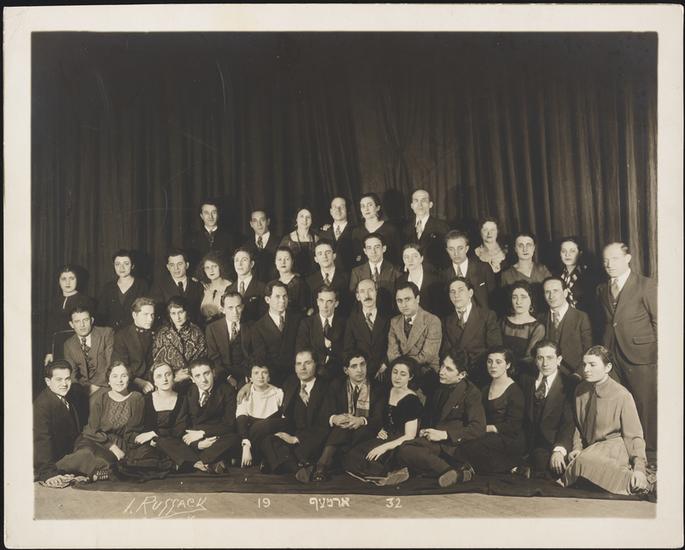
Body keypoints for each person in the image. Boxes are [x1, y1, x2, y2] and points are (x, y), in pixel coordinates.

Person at [559, 346, 654, 496]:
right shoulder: (580, 390)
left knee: (585, 463)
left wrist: (639, 468)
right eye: (584, 364)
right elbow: (578, 426)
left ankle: (641, 481)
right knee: (579, 464)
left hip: (613, 447)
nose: (586, 369)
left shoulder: (622, 395)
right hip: (591, 449)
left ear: (607, 367)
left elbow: (634, 436)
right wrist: (577, 448)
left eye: (592, 365)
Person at [596, 242, 657, 452]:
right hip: (612, 357)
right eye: (605, 260)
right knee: (618, 405)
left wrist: (657, 354)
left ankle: (649, 455)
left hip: (641, 356)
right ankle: (625, 453)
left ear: (628, 258)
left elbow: (659, 322)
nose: (609, 264)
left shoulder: (646, 285)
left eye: (614, 258)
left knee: (644, 406)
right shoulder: (602, 289)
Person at [396, 352, 486, 487]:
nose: (441, 372)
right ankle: (457, 472)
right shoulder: (438, 386)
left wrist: (445, 435)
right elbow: (429, 415)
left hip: (452, 445)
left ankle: (447, 471)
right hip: (433, 441)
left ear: (461, 375)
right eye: (442, 366)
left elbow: (478, 428)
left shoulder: (471, 392)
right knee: (403, 449)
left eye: (448, 369)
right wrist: (424, 430)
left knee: (407, 452)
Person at [444, 347, 525, 480]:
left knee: (471, 447)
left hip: (508, 437)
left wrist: (486, 428)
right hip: (485, 433)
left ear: (508, 365)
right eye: (489, 361)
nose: (493, 366)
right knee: (457, 443)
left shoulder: (515, 391)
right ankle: (466, 472)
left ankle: (511, 466)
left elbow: (513, 426)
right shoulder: (485, 388)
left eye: (498, 362)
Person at [55, 361, 145, 481]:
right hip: (94, 440)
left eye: (123, 376)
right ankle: (54, 470)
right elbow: (91, 430)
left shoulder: (137, 399)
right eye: (115, 376)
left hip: (120, 445)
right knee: (86, 453)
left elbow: (133, 432)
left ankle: (91, 473)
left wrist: (126, 449)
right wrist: (112, 447)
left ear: (129, 379)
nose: (119, 380)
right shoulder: (101, 399)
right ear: (109, 380)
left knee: (109, 462)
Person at [342, 357, 422, 486]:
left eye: (403, 374)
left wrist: (383, 447)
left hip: (400, 442)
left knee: (375, 460)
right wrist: (380, 429)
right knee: (352, 456)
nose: (397, 377)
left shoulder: (412, 400)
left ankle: (391, 473)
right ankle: (382, 475)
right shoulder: (387, 391)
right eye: (395, 372)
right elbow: (381, 418)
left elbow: (410, 435)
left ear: (410, 377)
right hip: (384, 436)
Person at [309, 351, 386, 482]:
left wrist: (361, 420)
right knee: (342, 428)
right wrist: (335, 418)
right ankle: (328, 464)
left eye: (362, 364)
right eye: (354, 366)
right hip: (342, 432)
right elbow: (325, 413)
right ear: (346, 370)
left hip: (366, 431)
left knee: (342, 430)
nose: (360, 370)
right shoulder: (336, 385)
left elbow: (379, 418)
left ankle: (322, 465)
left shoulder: (378, 387)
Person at [259, 350, 333, 482]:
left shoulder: (326, 388)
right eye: (299, 364)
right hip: (292, 437)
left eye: (307, 363)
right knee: (268, 440)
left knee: (279, 452)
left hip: (313, 440)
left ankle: (283, 463)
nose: (302, 368)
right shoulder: (291, 383)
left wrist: (296, 439)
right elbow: (263, 381)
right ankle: (299, 469)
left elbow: (324, 425)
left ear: (316, 364)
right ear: (294, 367)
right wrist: (247, 386)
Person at [121, 362, 202, 478]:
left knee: (171, 451)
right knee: (138, 460)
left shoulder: (183, 399)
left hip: (172, 444)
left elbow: (179, 430)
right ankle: (174, 466)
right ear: (154, 381)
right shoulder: (145, 400)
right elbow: (130, 432)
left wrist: (155, 435)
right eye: (159, 376)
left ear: (173, 377)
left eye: (168, 374)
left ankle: (176, 464)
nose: (164, 379)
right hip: (150, 446)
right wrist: (149, 439)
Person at [518, 341, 575, 479]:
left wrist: (559, 450)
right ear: (535, 360)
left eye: (550, 358)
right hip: (524, 441)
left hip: (549, 444)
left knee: (542, 465)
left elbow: (568, 423)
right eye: (540, 358)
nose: (545, 363)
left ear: (559, 360)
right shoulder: (526, 380)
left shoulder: (568, 384)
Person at [181, 358, 241, 473]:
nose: (203, 380)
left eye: (206, 373)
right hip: (194, 438)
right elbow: (183, 423)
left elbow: (229, 424)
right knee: (176, 439)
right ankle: (213, 461)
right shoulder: (187, 392)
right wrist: (198, 444)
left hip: (217, 436)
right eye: (197, 376)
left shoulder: (226, 391)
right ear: (192, 379)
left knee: (234, 438)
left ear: (213, 373)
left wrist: (203, 433)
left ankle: (198, 462)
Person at [441, 277, 502, 388]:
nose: (456, 295)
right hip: (456, 375)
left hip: (481, 374)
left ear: (470, 293)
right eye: (452, 292)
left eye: (460, 290)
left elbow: (495, 349)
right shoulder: (446, 320)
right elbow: (446, 351)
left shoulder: (487, 316)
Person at [387, 282, 442, 397]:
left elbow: (428, 355)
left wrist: (405, 368)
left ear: (417, 299)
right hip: (401, 372)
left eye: (407, 299)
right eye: (399, 301)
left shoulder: (432, 320)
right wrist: (402, 371)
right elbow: (392, 353)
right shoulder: (394, 321)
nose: (403, 305)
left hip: (425, 371)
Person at [33, 361, 83, 485]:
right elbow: (41, 441)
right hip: (53, 463)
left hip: (69, 456)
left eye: (67, 379)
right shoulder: (42, 404)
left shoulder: (67, 397)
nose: (64, 384)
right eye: (59, 380)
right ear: (48, 381)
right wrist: (48, 473)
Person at [250, 280, 303, 386]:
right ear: (267, 299)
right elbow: (261, 357)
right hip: (273, 378)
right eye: (277, 297)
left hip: (297, 375)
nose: (282, 300)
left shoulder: (298, 320)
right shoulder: (258, 327)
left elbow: (301, 348)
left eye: (285, 296)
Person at [541, 277, 592, 380]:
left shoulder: (581, 317)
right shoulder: (541, 318)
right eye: (547, 292)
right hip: (546, 375)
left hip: (574, 376)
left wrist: (578, 375)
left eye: (555, 291)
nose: (551, 296)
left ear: (565, 293)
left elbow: (589, 350)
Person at [43, 265, 95, 366]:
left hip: (77, 347)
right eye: (64, 279)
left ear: (77, 280)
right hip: (57, 348)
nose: (67, 283)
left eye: (71, 278)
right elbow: (50, 328)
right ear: (59, 281)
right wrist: (49, 352)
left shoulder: (87, 301)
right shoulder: (54, 302)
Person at [236, 365, 286, 469]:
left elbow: (283, 420)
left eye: (264, 372)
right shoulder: (245, 394)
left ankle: (263, 459)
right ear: (250, 378)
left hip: (271, 434)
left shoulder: (278, 393)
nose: (260, 376)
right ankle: (265, 460)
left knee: (267, 432)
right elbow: (241, 420)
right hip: (250, 437)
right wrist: (246, 446)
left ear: (269, 377)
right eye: (256, 373)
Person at [152, 297, 207, 389]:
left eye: (181, 312)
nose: (177, 317)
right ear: (169, 315)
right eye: (173, 313)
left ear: (187, 312)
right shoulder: (162, 333)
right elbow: (157, 361)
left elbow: (202, 358)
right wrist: (174, 375)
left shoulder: (197, 332)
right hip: (168, 380)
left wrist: (188, 373)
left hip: (193, 379)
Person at [343, 278, 391, 381]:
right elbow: (349, 349)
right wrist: (360, 369)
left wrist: (384, 365)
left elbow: (392, 346)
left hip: (385, 370)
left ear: (376, 293)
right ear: (358, 297)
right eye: (362, 291)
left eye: (370, 290)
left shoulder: (388, 318)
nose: (367, 295)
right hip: (361, 372)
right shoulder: (352, 321)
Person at [296, 285, 347, 380]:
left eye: (329, 301)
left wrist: (331, 347)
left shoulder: (344, 324)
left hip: (339, 375)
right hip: (313, 374)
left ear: (336, 303)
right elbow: (302, 351)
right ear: (317, 302)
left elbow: (346, 352)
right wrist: (323, 356)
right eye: (321, 301)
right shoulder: (307, 323)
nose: (325, 306)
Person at [205, 290, 253, 388]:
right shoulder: (212, 328)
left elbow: (255, 354)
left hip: (246, 373)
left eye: (238, 307)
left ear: (242, 307)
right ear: (222, 309)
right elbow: (213, 357)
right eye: (230, 308)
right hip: (223, 374)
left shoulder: (252, 326)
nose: (235, 312)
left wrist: (249, 375)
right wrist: (227, 377)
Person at [63, 306, 114, 395]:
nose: (82, 325)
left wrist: (95, 386)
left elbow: (111, 365)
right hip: (82, 388)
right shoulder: (68, 344)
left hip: (105, 384)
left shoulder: (106, 334)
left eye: (85, 320)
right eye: (77, 321)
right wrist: (78, 391)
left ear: (91, 320)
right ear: (71, 324)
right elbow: (72, 374)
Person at [500, 282, 546, 378]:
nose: (518, 302)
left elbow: (529, 358)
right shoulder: (503, 322)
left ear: (531, 300)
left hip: (524, 374)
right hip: (500, 371)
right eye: (514, 297)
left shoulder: (537, 328)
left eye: (523, 297)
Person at [96, 249, 150, 331]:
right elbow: (101, 315)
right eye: (117, 264)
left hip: (135, 333)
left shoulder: (142, 285)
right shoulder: (108, 287)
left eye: (126, 263)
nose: (121, 268)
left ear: (132, 266)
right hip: (112, 334)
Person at [349, 232, 401, 315]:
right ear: (365, 251)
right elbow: (354, 301)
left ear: (384, 248)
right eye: (369, 248)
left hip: (390, 316)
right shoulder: (356, 272)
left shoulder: (396, 271)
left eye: (377, 247)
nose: (373, 251)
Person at [112, 297, 157, 394]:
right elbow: (120, 365)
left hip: (155, 381)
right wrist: (138, 382)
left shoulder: (157, 333)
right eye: (145, 314)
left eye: (152, 315)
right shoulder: (122, 336)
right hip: (131, 382)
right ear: (134, 315)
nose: (150, 319)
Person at [442, 230, 495, 310]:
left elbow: (494, 300)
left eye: (460, 248)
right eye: (451, 249)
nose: (456, 253)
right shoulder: (443, 275)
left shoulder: (483, 268)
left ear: (466, 248)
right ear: (447, 250)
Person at [500, 232, 552, 312]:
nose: (525, 249)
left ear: (534, 248)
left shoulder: (542, 270)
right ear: (515, 249)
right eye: (520, 245)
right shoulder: (507, 275)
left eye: (529, 245)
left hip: (543, 315)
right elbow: (505, 304)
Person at [150, 249, 204, 325]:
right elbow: (157, 312)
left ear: (187, 265)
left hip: (194, 328)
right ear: (168, 267)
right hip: (168, 329)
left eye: (180, 264)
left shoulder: (198, 285)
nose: (176, 268)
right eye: (172, 265)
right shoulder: (159, 286)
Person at [184, 199, 239, 271]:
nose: (210, 217)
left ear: (218, 215)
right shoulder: (191, 238)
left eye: (214, 212)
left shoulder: (230, 237)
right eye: (206, 213)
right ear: (201, 216)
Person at [402, 189, 450, 270]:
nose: (420, 205)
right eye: (416, 201)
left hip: (435, 274)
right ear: (412, 205)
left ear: (430, 204)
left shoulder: (442, 227)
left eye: (423, 201)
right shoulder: (405, 228)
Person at [351, 192, 402, 266]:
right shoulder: (356, 232)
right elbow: (356, 257)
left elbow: (398, 255)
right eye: (363, 206)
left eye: (370, 205)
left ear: (377, 207)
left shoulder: (390, 229)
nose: (366, 209)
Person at [397, 243, 443, 317]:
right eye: (406, 257)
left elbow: (439, 309)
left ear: (421, 258)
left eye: (414, 256)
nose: (410, 260)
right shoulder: (400, 281)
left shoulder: (435, 281)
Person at [306, 239, 350, 316]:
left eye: (328, 252)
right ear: (316, 259)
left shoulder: (347, 277)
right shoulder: (310, 281)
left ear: (334, 255)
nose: (324, 256)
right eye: (320, 253)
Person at [225, 247, 266, 324]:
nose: (239, 264)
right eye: (237, 260)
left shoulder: (262, 287)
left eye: (244, 260)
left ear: (252, 264)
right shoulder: (229, 289)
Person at [556, 236, 596, 313]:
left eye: (572, 251)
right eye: (564, 251)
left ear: (580, 253)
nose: (567, 255)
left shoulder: (590, 275)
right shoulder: (556, 275)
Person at [319, 196, 356, 272]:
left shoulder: (356, 231)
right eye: (335, 207)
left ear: (347, 210)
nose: (338, 210)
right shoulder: (323, 233)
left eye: (341, 207)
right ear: (331, 211)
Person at [279, 208, 319, 276]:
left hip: (313, 277)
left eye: (308, 217)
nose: (305, 220)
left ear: (311, 220)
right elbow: (280, 262)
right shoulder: (287, 239)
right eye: (301, 216)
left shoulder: (316, 238)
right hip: (293, 278)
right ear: (296, 219)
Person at [196, 251, 232, 325]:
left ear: (220, 267)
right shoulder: (204, 288)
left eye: (214, 266)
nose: (211, 270)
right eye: (207, 268)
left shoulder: (230, 287)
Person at [244, 208, 279, 283]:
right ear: (251, 224)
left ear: (268, 222)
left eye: (262, 220)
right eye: (255, 221)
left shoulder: (279, 242)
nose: (259, 224)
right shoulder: (246, 245)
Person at [274, 246, 309, 316]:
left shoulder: (300, 283)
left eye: (287, 259)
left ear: (292, 261)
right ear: (275, 262)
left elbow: (304, 309)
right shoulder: (273, 284)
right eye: (279, 259)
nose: (283, 262)